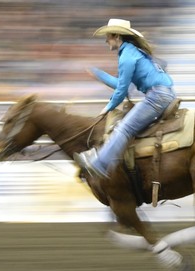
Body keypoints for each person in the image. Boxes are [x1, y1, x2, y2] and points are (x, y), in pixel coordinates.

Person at [74, 18, 176, 179]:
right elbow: (123, 85)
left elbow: (122, 91)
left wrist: (108, 107)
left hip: (157, 96)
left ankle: (100, 166)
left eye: (108, 36)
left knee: (124, 128)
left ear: (116, 36)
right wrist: (98, 74)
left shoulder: (127, 56)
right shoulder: (131, 52)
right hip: (161, 94)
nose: (106, 40)